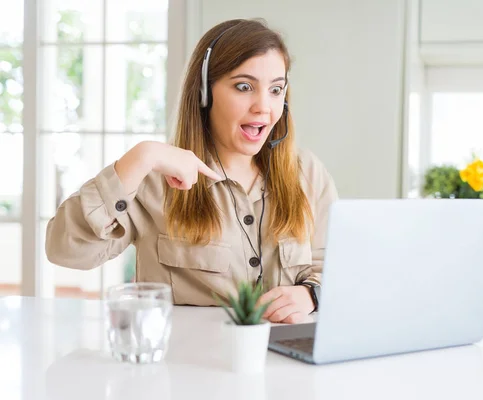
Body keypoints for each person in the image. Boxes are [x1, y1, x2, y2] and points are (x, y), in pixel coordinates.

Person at [45, 18, 338, 324]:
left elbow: (337, 268)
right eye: (244, 87)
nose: (263, 107)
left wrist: (311, 294)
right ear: (204, 93)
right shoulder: (154, 179)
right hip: (186, 366)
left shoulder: (308, 174)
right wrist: (141, 158)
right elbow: (66, 250)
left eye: (276, 90)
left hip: (287, 368)